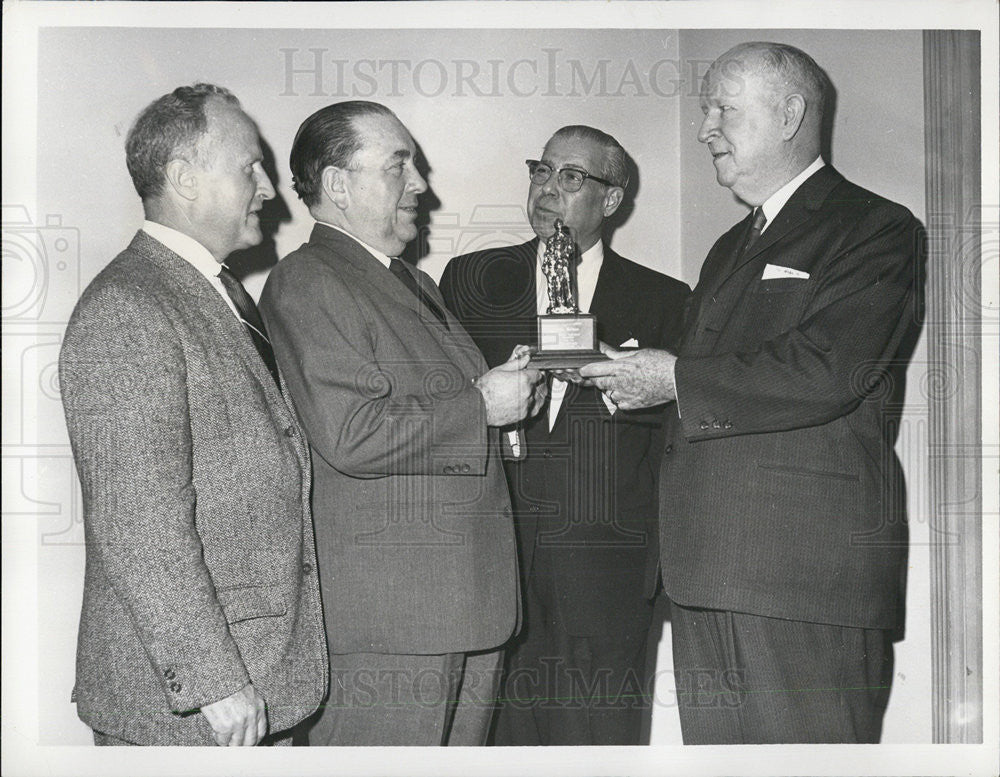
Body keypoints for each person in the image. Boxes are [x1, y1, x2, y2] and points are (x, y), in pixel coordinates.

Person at [579, 43, 921, 744]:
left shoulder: (875, 228)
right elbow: (722, 387)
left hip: (799, 581)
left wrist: (674, 376)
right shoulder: (731, 243)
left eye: (722, 109)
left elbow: (829, 369)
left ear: (790, 113)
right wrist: (641, 384)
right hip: (707, 574)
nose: (705, 128)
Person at [258, 100, 546, 746]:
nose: (421, 183)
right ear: (337, 185)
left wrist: (497, 387)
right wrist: (483, 406)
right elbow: (351, 430)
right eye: (399, 166)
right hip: (396, 620)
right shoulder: (307, 280)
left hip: (463, 606)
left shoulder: (412, 282)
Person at [59, 84, 327, 746]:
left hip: (249, 687)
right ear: (182, 177)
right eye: (249, 168)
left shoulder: (213, 295)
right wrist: (213, 681)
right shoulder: (129, 308)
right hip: (192, 710)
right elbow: (139, 522)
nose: (268, 189)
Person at [440, 126, 689, 745]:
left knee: (596, 736)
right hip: (492, 558)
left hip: (607, 564)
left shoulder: (665, 299)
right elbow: (445, 408)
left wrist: (617, 379)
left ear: (611, 200)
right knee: (491, 736)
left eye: (571, 177)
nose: (548, 189)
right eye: (541, 171)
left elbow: (675, 438)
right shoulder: (471, 281)